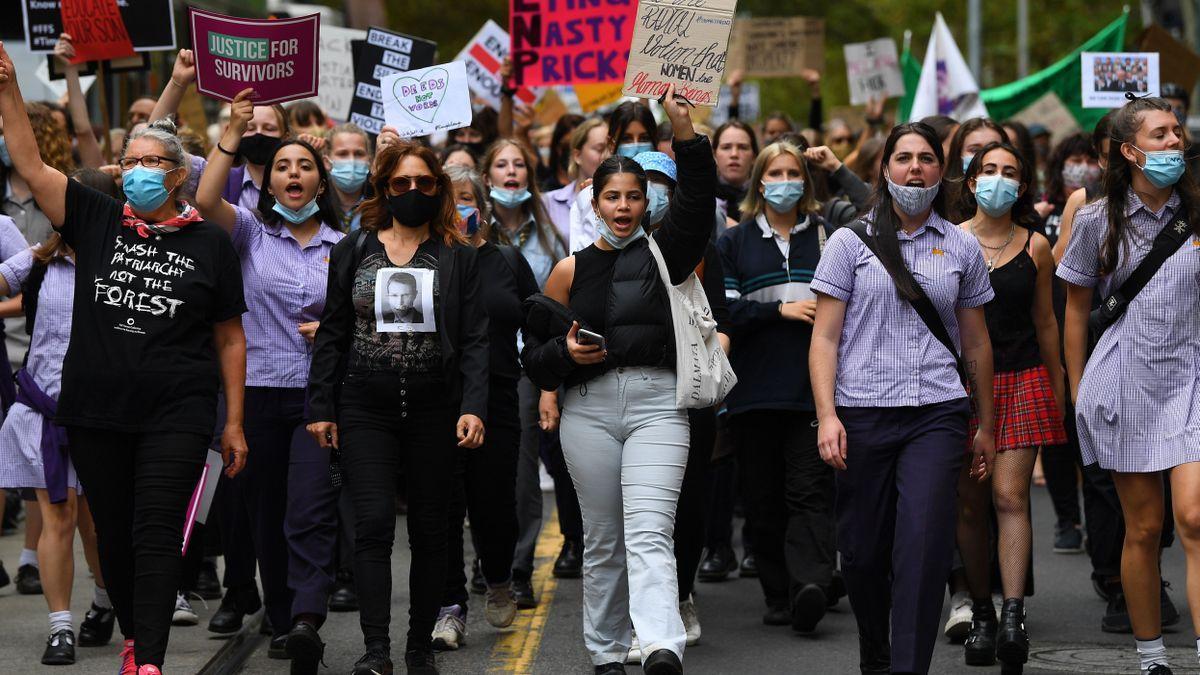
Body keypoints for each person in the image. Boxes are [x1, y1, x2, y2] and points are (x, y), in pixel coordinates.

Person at [0, 44, 249, 675]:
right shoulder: (95, 219)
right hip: (98, 412)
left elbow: (228, 338)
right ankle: (138, 631)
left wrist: (233, 421)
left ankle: (151, 658)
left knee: (158, 532)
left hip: (178, 411)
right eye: (129, 160)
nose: (136, 169)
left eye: (151, 161)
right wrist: (5, 88)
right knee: (111, 533)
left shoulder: (210, 244)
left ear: (175, 175)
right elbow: (30, 162)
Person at [522, 85, 712, 675]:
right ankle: (605, 653)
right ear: (594, 201)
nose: (626, 206)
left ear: (648, 201)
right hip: (590, 413)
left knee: (650, 533)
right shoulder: (568, 270)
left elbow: (699, 203)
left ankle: (660, 646)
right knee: (604, 543)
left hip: (660, 406)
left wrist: (684, 129)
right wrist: (565, 355)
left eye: (636, 196)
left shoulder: (667, 255)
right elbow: (536, 356)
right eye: (613, 197)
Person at [809, 121, 996, 675]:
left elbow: (977, 342)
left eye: (927, 159)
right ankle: (877, 649)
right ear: (884, 170)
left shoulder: (961, 244)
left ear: (943, 172)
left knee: (921, 546)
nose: (915, 168)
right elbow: (824, 338)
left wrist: (985, 423)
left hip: (936, 415)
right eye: (903, 158)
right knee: (864, 553)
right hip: (862, 413)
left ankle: (909, 667)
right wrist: (826, 415)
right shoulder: (849, 242)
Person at [307, 140, 488, 675]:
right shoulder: (354, 248)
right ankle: (377, 649)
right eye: (402, 183)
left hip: (436, 407)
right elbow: (333, 332)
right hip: (365, 405)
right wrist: (322, 405)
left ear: (439, 188)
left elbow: (477, 339)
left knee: (433, 530)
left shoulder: (459, 255)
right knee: (373, 525)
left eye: (424, 183)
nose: (413, 192)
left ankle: (416, 648)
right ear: (385, 187)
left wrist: (473, 406)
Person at [193, 86, 346, 671]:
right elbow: (206, 201)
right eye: (283, 165)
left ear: (318, 180)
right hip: (255, 393)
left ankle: (308, 614)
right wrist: (231, 132)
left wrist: (335, 328)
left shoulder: (346, 242)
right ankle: (283, 620)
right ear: (270, 181)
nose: (293, 173)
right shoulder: (251, 233)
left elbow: (367, 308)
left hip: (317, 395)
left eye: (304, 165)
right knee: (265, 514)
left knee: (308, 509)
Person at [1059, 95, 1200, 675]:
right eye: (1161, 134)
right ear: (1129, 150)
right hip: (1124, 382)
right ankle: (1151, 656)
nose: (1175, 142)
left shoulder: (1198, 210)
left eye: (1178, 132)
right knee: (1142, 527)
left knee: (1193, 517)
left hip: (1191, 377)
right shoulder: (1096, 219)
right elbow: (1074, 313)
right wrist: (1076, 392)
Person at [717, 140, 838, 634]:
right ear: (759, 182)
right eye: (776, 172)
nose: (785, 180)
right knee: (763, 500)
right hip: (753, 394)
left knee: (809, 492)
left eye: (794, 172)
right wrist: (779, 311)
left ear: (805, 183)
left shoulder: (829, 238)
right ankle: (776, 591)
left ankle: (810, 583)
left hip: (811, 391)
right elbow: (724, 313)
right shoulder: (734, 242)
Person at [955, 142, 1067, 670]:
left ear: (1023, 186)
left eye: (1010, 173)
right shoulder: (947, 242)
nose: (998, 179)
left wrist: (1059, 383)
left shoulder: (1037, 246)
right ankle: (980, 611)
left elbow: (1047, 322)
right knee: (971, 505)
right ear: (971, 180)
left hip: (1022, 380)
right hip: (957, 387)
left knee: (1009, 495)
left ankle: (1013, 615)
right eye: (988, 170)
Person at [0, 170, 104, 665]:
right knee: (58, 515)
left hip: (105, 418)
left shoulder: (126, 262)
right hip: (45, 412)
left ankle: (104, 604)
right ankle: (60, 626)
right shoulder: (41, 258)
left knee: (95, 523)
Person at [433, 167, 539, 650]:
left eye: (465, 199)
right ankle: (450, 605)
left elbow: (538, 327)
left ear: (483, 205)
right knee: (444, 504)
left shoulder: (508, 260)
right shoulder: (426, 259)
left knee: (495, 501)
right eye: (448, 200)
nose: (459, 210)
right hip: (439, 396)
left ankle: (498, 576)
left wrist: (550, 385)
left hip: (498, 395)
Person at [479, 138, 579, 587]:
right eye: (502, 164)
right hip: (478, 361)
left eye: (520, 164)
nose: (512, 171)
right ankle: (485, 558)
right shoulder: (472, 234)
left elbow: (557, 313)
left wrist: (548, 381)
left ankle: (518, 566)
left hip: (526, 364)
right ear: (488, 178)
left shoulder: (550, 236)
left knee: (521, 467)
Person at [566, 104, 659, 253]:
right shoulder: (587, 196)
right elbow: (578, 258)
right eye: (627, 139)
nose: (635, 146)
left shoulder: (667, 195)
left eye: (644, 138)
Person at [543, 118, 609, 245]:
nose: (607, 155)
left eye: (611, 149)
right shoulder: (548, 202)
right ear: (577, 156)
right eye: (600, 149)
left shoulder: (621, 202)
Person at [1036, 134, 1102, 243]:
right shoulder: (1043, 207)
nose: (1084, 168)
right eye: (1077, 161)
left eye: (1091, 162)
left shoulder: (1108, 207)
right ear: (1060, 167)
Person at [943, 118, 1007, 222]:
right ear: (958, 155)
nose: (984, 157)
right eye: (975, 150)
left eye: (993, 149)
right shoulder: (940, 206)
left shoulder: (1020, 208)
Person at [324, 124, 373, 232]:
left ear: (369, 162)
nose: (352, 161)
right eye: (343, 154)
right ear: (327, 162)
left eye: (359, 154)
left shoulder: (379, 205)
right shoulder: (316, 203)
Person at [712, 120, 758, 224]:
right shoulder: (701, 196)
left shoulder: (766, 199)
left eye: (743, 147)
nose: (734, 154)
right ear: (714, 155)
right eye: (726, 147)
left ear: (754, 156)